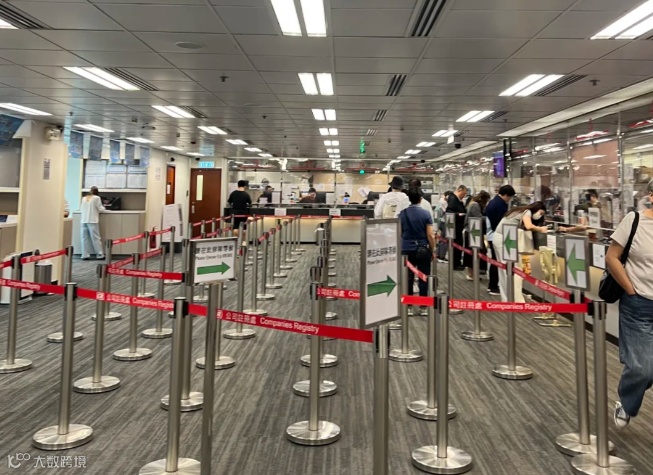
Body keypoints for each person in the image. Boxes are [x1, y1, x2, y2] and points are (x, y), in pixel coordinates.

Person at [607, 179, 653, 430]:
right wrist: (630, 290)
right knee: (643, 368)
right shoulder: (634, 221)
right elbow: (612, 257)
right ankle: (627, 403)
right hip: (639, 305)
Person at [493, 201, 548, 303]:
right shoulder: (527, 212)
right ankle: (514, 300)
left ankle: (507, 299)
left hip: (501, 237)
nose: (540, 216)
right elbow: (529, 226)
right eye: (541, 213)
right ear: (536, 208)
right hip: (506, 239)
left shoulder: (519, 210)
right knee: (511, 270)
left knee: (504, 270)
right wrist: (541, 229)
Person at [399, 188, 435, 306]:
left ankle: (408, 305)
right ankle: (423, 305)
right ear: (420, 199)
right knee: (423, 277)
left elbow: (399, 233)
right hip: (422, 248)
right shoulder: (426, 214)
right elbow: (430, 234)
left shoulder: (402, 214)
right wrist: (433, 249)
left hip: (406, 249)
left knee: (408, 278)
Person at [484, 185, 516, 295]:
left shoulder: (493, 202)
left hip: (491, 235)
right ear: (506, 195)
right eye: (510, 197)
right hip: (496, 235)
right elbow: (499, 223)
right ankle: (493, 286)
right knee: (497, 261)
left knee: (494, 260)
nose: (509, 199)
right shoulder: (500, 205)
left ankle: (492, 285)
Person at [463, 190, 491, 280]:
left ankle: (472, 273)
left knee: (472, 254)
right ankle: (471, 274)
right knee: (472, 254)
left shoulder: (473, 204)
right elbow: (478, 217)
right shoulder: (475, 205)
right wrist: (489, 218)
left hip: (472, 231)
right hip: (472, 231)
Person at [446, 185, 468, 270]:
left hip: (457, 228)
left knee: (458, 245)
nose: (464, 196)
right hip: (455, 228)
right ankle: (455, 263)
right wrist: (459, 214)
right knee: (456, 245)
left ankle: (457, 262)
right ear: (459, 190)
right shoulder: (453, 200)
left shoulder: (457, 200)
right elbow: (449, 212)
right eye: (463, 194)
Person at [80, 186, 105, 261]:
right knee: (96, 238)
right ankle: (100, 254)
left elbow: (81, 208)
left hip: (83, 220)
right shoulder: (97, 198)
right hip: (92, 220)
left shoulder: (84, 198)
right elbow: (100, 208)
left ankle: (85, 255)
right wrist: (105, 208)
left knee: (84, 238)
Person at [436, 191, 452, 262]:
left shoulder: (441, 201)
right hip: (444, 222)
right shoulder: (443, 203)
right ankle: (442, 256)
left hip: (441, 222)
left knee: (442, 239)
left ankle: (438, 254)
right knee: (444, 240)